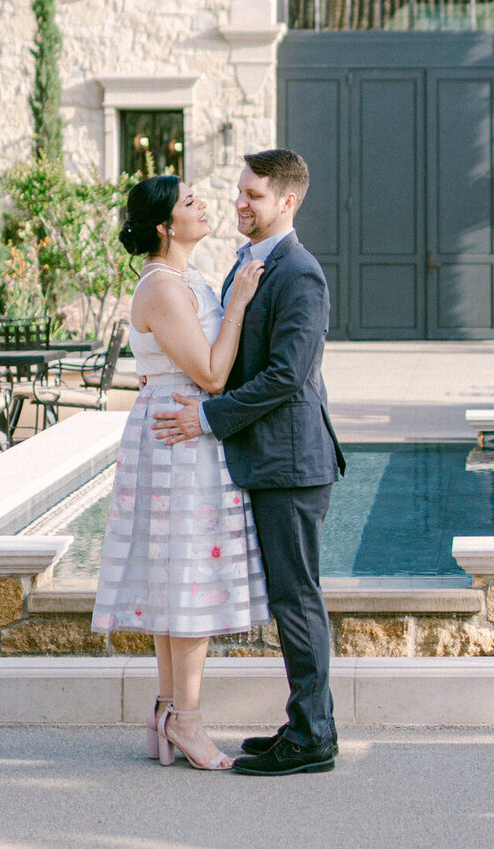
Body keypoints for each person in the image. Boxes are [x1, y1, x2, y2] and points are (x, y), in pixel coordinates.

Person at [154, 148, 345, 777]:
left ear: (287, 202)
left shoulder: (301, 273)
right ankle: (301, 722)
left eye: (254, 195)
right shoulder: (247, 259)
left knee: (297, 600)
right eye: (240, 191)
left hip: (292, 463)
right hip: (263, 461)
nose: (240, 202)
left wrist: (208, 417)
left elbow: (290, 375)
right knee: (289, 598)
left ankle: (314, 737)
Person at [92, 174, 268, 771]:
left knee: (178, 579)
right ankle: (187, 723)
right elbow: (214, 374)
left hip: (183, 428)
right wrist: (240, 301)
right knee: (189, 580)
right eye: (189, 202)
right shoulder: (164, 286)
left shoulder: (185, 278)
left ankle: (169, 711)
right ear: (166, 226)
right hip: (181, 437)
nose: (204, 205)